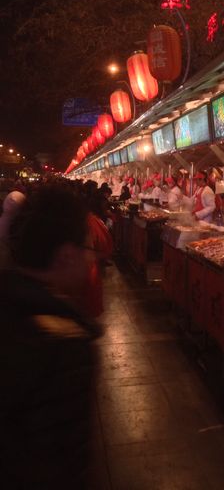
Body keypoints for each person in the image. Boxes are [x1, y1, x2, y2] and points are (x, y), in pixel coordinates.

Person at [0, 184, 101, 488]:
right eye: (88, 248)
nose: (91, 259)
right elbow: (60, 457)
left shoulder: (10, 301)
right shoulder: (62, 342)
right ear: (67, 255)